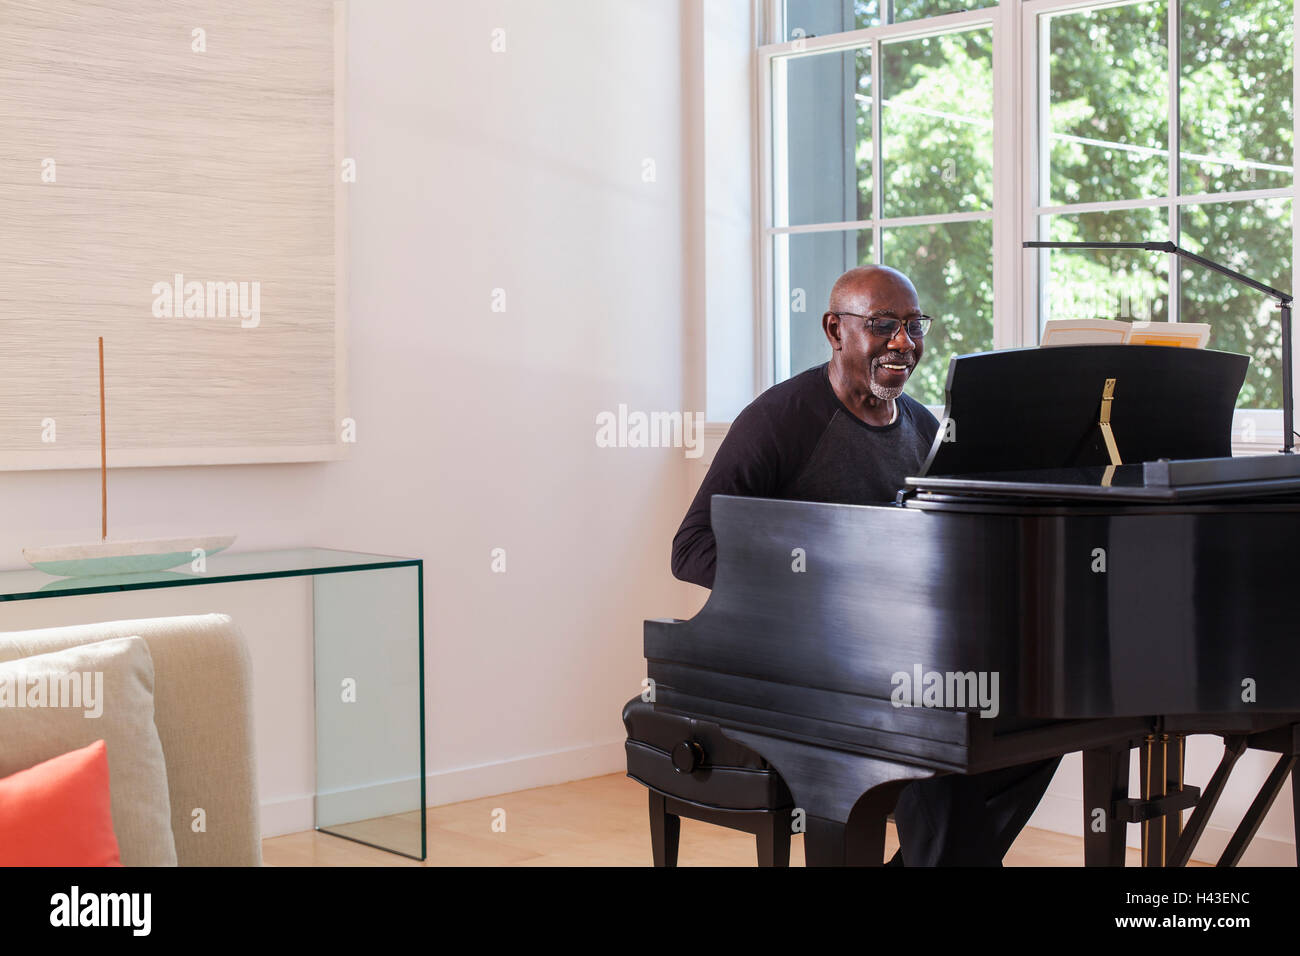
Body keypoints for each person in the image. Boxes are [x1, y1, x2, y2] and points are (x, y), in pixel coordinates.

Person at [670, 264, 1060, 865]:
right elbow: (692, 545)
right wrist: (817, 588)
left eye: (913, 325)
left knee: (1041, 716)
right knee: (939, 724)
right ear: (836, 330)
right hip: (803, 659)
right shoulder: (779, 420)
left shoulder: (927, 429)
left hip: (902, 654)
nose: (904, 342)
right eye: (884, 325)